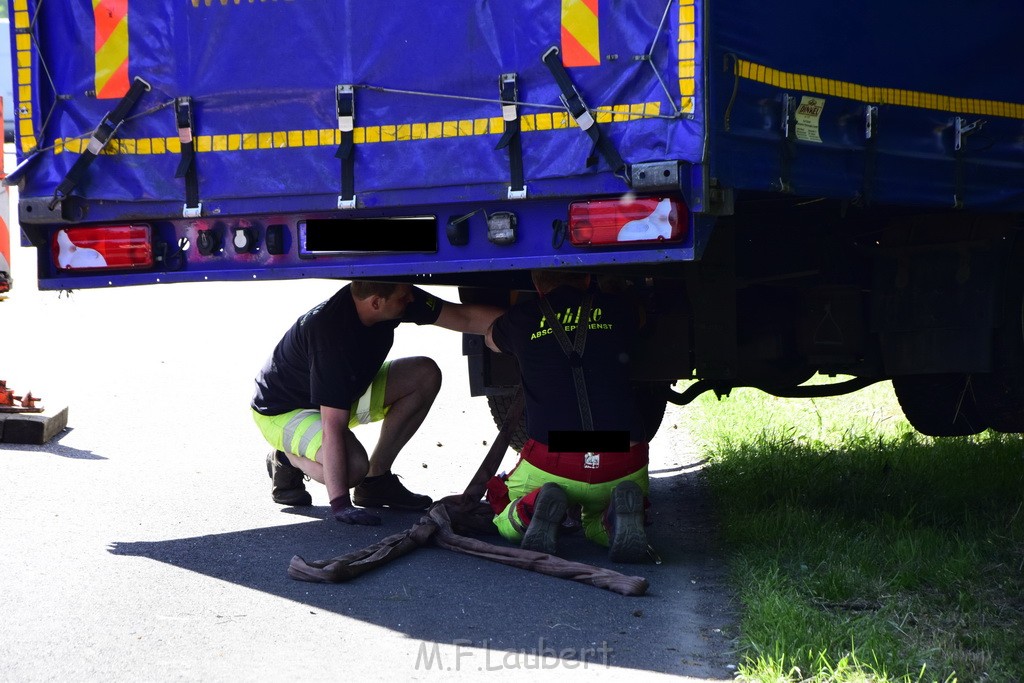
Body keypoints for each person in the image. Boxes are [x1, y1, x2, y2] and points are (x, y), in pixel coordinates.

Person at [252, 281, 502, 526]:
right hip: (286, 409)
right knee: (351, 468)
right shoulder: (332, 336)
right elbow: (332, 427)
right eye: (404, 297)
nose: (411, 298)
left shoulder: (392, 294)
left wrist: (528, 322)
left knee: (423, 374)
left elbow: (464, 317)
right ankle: (286, 458)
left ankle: (376, 481)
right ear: (376, 303)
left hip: (343, 392)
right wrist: (341, 505)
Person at [484, 269, 652, 562]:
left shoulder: (522, 317)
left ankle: (532, 508)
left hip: (555, 459)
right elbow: (637, 315)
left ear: (536, 286)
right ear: (588, 280)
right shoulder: (620, 309)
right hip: (623, 457)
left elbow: (490, 339)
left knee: (501, 505)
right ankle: (612, 519)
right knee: (593, 526)